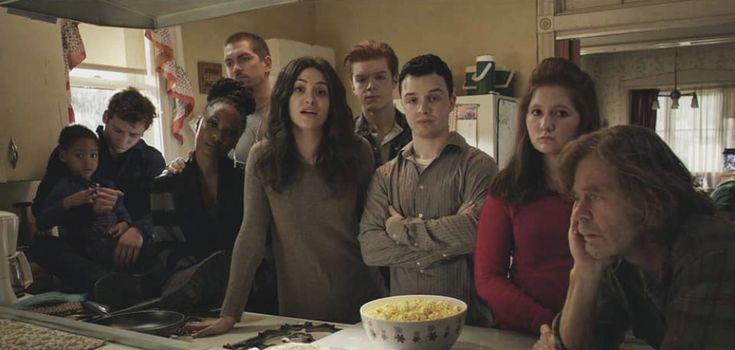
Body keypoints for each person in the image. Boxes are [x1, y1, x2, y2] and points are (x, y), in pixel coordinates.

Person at [185, 57, 386, 337]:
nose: (310, 100)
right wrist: (229, 313)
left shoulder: (357, 151)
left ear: (332, 102)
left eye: (321, 91)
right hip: (297, 309)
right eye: (299, 89)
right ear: (285, 97)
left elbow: (373, 229)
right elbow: (251, 236)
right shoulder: (263, 157)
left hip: (361, 303)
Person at [533, 125, 735, 350]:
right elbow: (577, 346)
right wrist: (584, 271)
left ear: (649, 197)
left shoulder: (711, 253)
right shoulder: (622, 257)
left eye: (595, 196)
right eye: (578, 198)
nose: (579, 214)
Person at [358, 54, 498, 323]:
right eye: (412, 100)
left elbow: (476, 235)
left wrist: (401, 229)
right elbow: (371, 249)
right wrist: (448, 243)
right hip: (403, 325)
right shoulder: (385, 176)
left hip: (468, 324)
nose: (423, 108)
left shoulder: (479, 167)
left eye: (433, 97)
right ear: (404, 104)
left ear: (452, 102)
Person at [474, 57, 602, 334]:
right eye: (536, 112)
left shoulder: (606, 188)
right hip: (525, 330)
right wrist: (549, 324)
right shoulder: (508, 186)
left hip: (596, 327)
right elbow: (488, 277)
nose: (545, 124)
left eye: (560, 113)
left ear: (583, 120)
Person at [149, 78, 276, 313]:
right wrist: (196, 271)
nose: (218, 136)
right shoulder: (166, 184)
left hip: (240, 284)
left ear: (237, 140)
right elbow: (165, 246)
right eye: (212, 124)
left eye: (230, 133)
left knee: (235, 264)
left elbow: (258, 240)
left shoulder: (246, 182)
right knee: (178, 275)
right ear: (198, 123)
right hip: (187, 280)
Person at [32, 87, 165, 308]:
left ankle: (132, 284)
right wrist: (86, 208)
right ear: (105, 118)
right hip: (81, 246)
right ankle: (107, 281)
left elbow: (161, 210)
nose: (123, 141)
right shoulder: (76, 148)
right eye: (118, 130)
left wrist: (137, 229)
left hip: (131, 246)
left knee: (166, 249)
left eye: (133, 135)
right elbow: (41, 210)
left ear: (144, 132)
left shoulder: (151, 160)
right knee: (42, 246)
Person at [34, 125, 139, 306]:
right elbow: (43, 219)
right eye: (79, 156)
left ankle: (132, 282)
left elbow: (121, 208)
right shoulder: (64, 186)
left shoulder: (105, 183)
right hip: (84, 249)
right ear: (63, 156)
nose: (88, 163)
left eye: (93, 155)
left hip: (113, 245)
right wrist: (70, 202)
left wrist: (125, 223)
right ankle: (109, 283)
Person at [344, 40, 411, 167]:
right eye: (362, 79)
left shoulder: (415, 132)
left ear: (395, 80)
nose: (370, 86)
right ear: (352, 86)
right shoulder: (345, 137)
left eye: (380, 77)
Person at [224, 32, 272, 164]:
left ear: (267, 64)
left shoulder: (286, 113)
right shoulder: (227, 116)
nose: (236, 68)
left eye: (244, 59)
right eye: (229, 63)